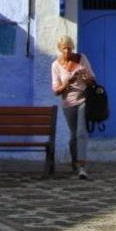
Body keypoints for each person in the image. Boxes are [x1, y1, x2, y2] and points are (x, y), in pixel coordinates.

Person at [51, 35, 95, 179]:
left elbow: (92, 79)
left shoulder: (82, 58)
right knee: (73, 135)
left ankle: (82, 167)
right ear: (60, 49)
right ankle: (75, 163)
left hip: (83, 100)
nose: (68, 51)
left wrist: (85, 77)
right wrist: (67, 83)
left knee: (81, 133)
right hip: (68, 103)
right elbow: (56, 90)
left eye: (70, 48)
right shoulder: (56, 65)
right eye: (65, 49)